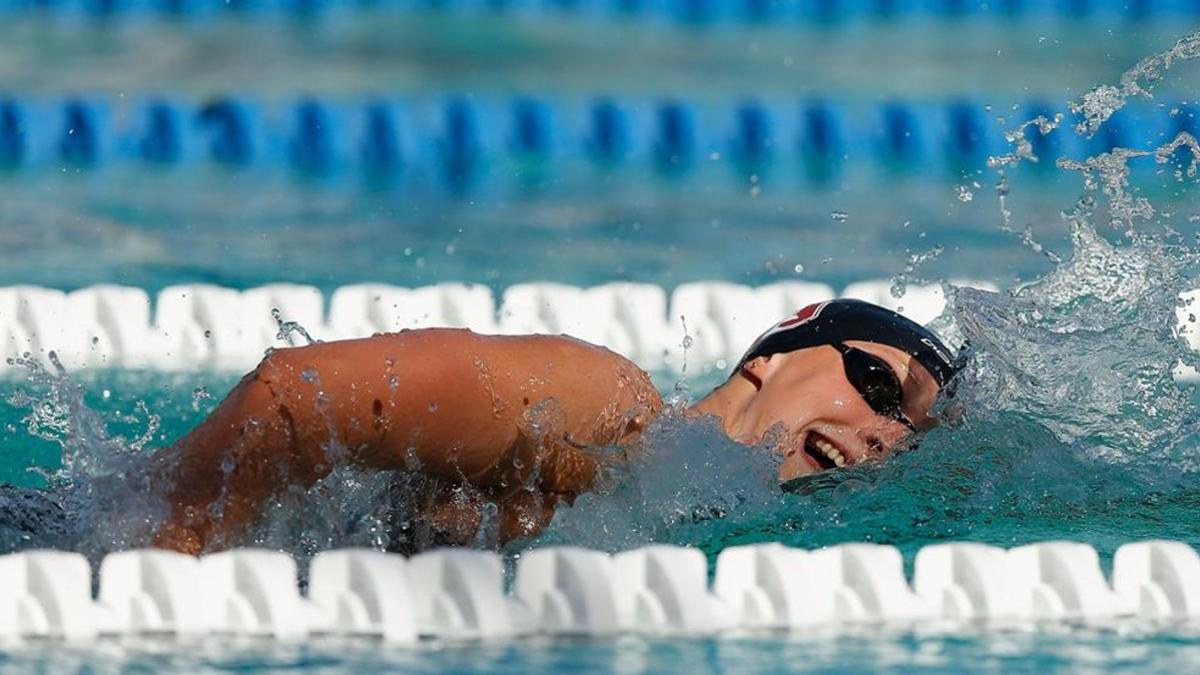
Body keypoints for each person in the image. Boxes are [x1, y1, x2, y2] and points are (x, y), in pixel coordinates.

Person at [150, 299, 962, 555]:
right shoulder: (612, 415)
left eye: (909, 439)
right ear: (773, 355)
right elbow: (297, 396)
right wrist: (168, 572)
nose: (886, 436)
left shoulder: (696, 521)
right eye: (880, 387)